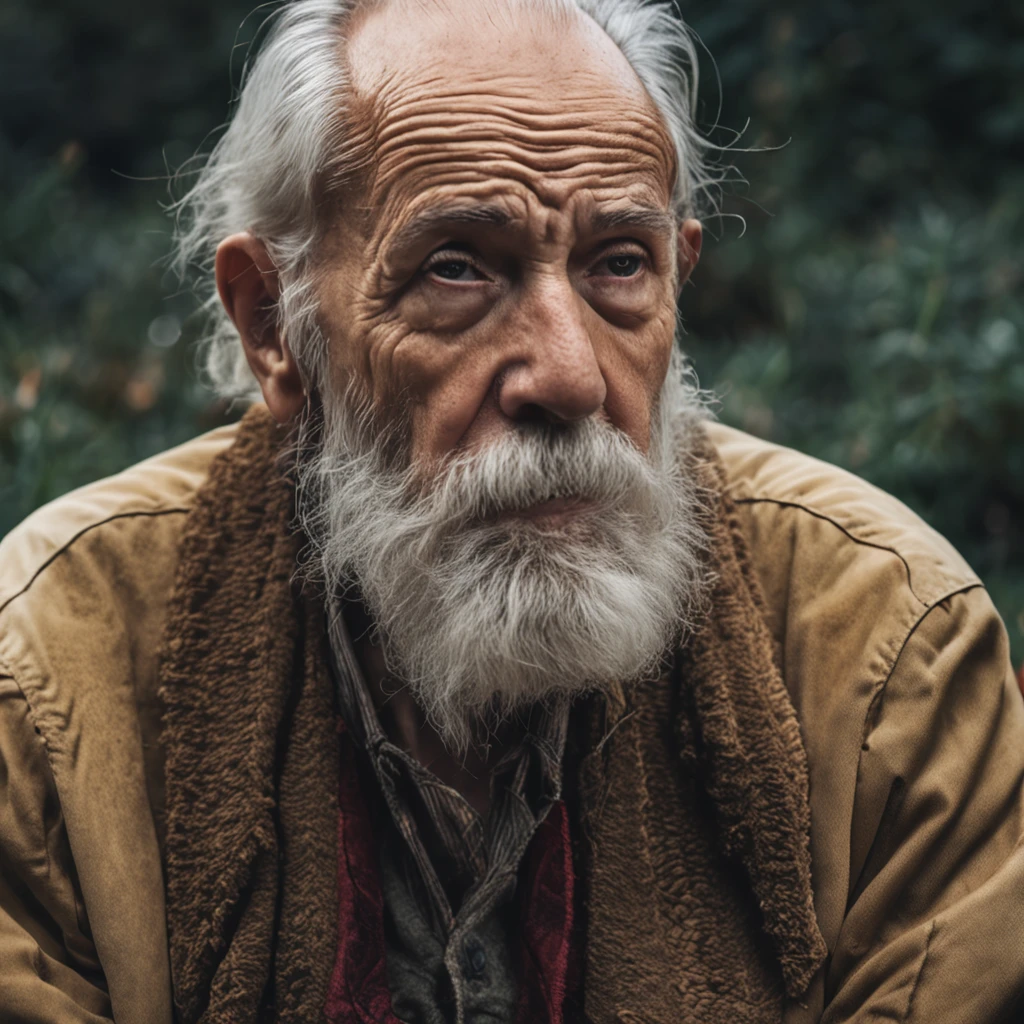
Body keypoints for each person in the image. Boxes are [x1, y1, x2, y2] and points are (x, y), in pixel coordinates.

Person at [1, 0, 1022, 1021]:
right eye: (457, 267)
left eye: (620, 263)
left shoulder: (891, 649)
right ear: (274, 323)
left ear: (680, 277)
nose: (570, 376)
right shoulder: (50, 670)